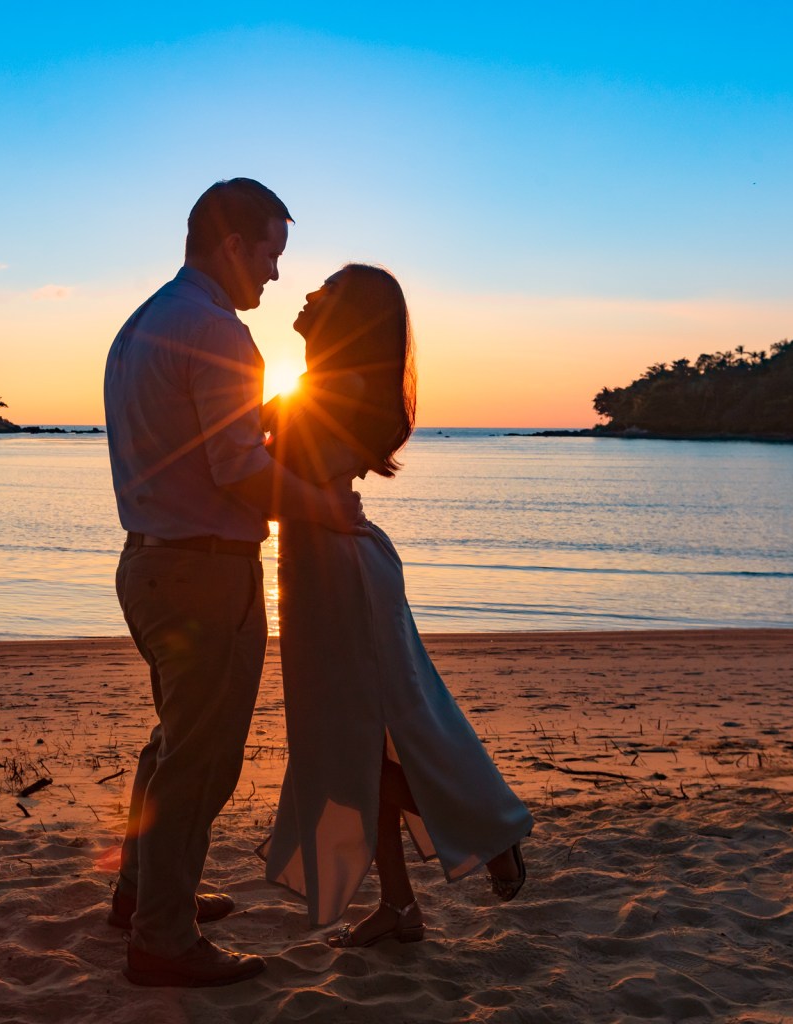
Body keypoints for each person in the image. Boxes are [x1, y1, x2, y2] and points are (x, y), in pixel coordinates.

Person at [102, 178, 364, 986]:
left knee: (173, 743)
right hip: (203, 572)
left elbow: (205, 449)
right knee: (203, 762)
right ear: (230, 246)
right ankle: (163, 938)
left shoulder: (142, 324)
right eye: (269, 255)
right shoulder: (217, 334)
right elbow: (238, 470)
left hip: (148, 565)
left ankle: (143, 892)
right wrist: (324, 507)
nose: (275, 277)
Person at [259, 264, 534, 947]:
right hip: (320, 572)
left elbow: (276, 482)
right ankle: (400, 906)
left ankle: (489, 834)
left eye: (326, 291)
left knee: (360, 741)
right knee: (349, 743)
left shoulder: (339, 389)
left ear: (349, 315)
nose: (308, 295)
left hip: (342, 575)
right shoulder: (321, 386)